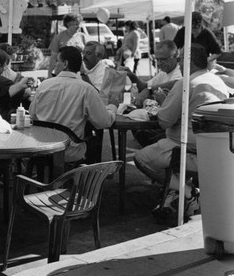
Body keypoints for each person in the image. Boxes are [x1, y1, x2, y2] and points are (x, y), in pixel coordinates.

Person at [134, 44, 229, 220]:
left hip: (186, 147)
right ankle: (180, 194)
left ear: (188, 61)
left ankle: (187, 192)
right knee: (155, 141)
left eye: (180, 59)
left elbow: (164, 121)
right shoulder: (216, 81)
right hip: (215, 146)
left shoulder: (186, 83)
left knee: (141, 158)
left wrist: (163, 101)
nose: (179, 63)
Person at [30, 46, 116, 164]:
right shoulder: (86, 89)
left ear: (65, 64)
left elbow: (32, 115)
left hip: (42, 148)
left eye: (57, 61)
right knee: (92, 140)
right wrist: (113, 108)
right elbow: (103, 122)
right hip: (69, 150)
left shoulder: (44, 86)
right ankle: (85, 178)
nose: (55, 64)